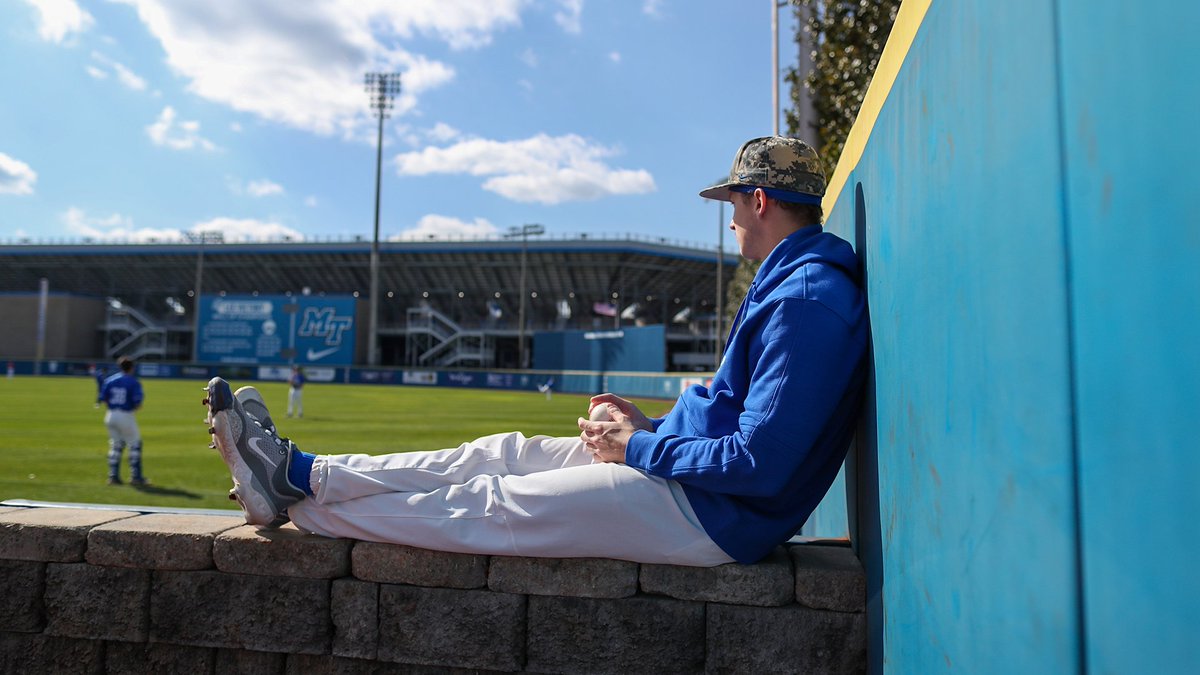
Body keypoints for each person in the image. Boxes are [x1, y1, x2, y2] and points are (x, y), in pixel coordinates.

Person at [202, 136, 868, 566]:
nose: (728, 217)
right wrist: (647, 426)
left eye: (732, 202)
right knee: (498, 453)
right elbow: (733, 422)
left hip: (708, 514)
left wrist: (638, 449)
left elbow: (759, 464)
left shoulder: (806, 299)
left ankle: (296, 507)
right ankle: (303, 472)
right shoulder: (790, 281)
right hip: (683, 477)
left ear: (759, 200)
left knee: (497, 503)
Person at [99, 356, 147, 486]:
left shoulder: (110, 380)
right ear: (132, 368)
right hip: (125, 414)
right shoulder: (133, 382)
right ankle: (136, 477)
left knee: (115, 446)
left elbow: (103, 398)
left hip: (110, 415)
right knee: (135, 445)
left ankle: (113, 476)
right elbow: (137, 403)